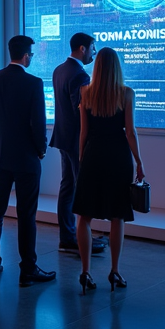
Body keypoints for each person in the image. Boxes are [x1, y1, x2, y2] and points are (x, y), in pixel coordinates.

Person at [0, 35, 56, 287]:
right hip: (26, 157)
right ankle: (28, 269)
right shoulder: (33, 83)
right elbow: (38, 122)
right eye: (31, 54)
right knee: (26, 214)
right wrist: (40, 149)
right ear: (25, 56)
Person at [72, 47, 145, 295]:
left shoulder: (86, 93)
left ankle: (85, 272)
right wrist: (139, 162)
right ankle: (114, 271)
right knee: (117, 216)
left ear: (97, 67)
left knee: (84, 216)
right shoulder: (126, 94)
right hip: (118, 158)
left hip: (93, 155)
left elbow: (83, 132)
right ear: (117, 66)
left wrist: (82, 159)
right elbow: (130, 132)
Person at [51, 32, 105, 256]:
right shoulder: (80, 75)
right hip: (76, 140)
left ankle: (69, 236)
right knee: (79, 189)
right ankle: (77, 239)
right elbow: (80, 111)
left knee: (68, 187)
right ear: (82, 48)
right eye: (93, 48)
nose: (94, 53)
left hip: (63, 137)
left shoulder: (59, 70)